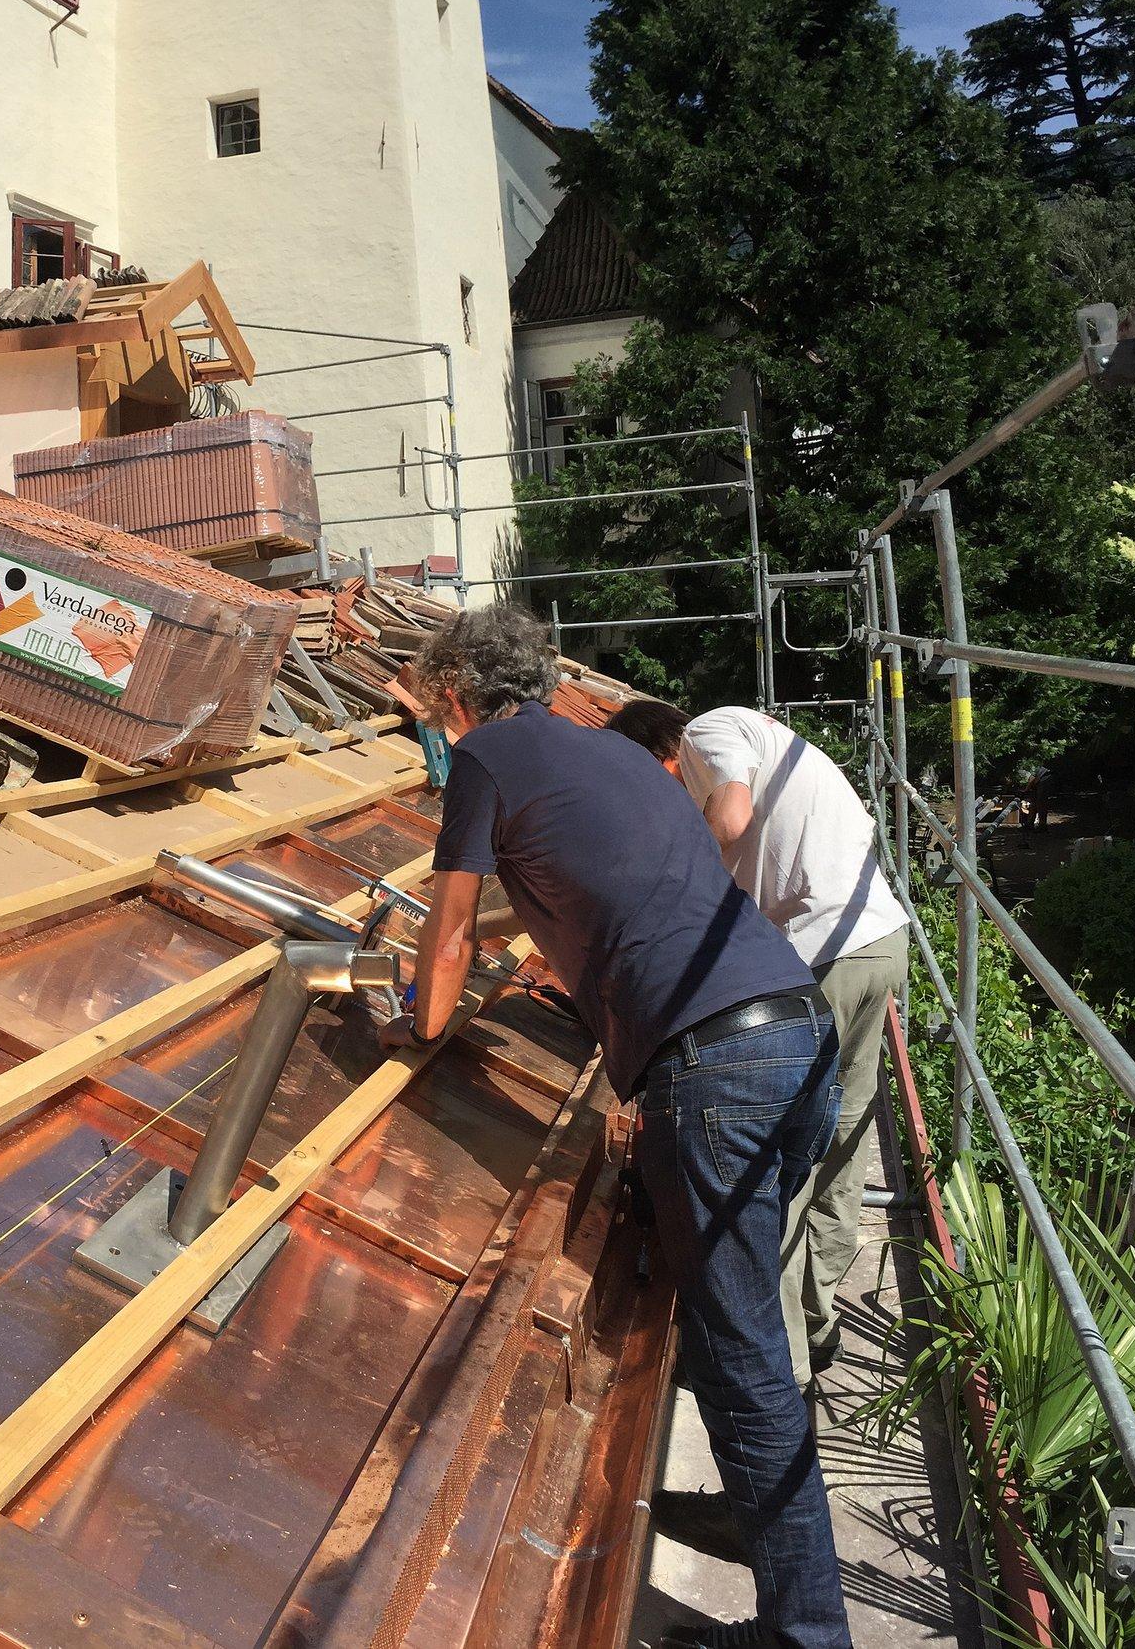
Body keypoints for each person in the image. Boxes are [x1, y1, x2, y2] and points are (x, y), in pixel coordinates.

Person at [388, 606, 851, 1649]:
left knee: (744, 1368)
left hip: (718, 1063)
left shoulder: (486, 759)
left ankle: (808, 1635)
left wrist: (416, 1028)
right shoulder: (611, 751)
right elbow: (625, 890)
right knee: (743, 1338)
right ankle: (794, 1586)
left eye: (434, 706)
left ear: (455, 695)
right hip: (797, 1028)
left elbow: (450, 932)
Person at [609, 697, 907, 1384]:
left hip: (827, 954)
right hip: (878, 941)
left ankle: (782, 1364)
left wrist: (678, 885)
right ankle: (817, 1318)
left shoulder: (710, 732)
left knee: (776, 1158)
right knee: (838, 1141)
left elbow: (730, 819)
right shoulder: (774, 745)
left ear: (660, 755)